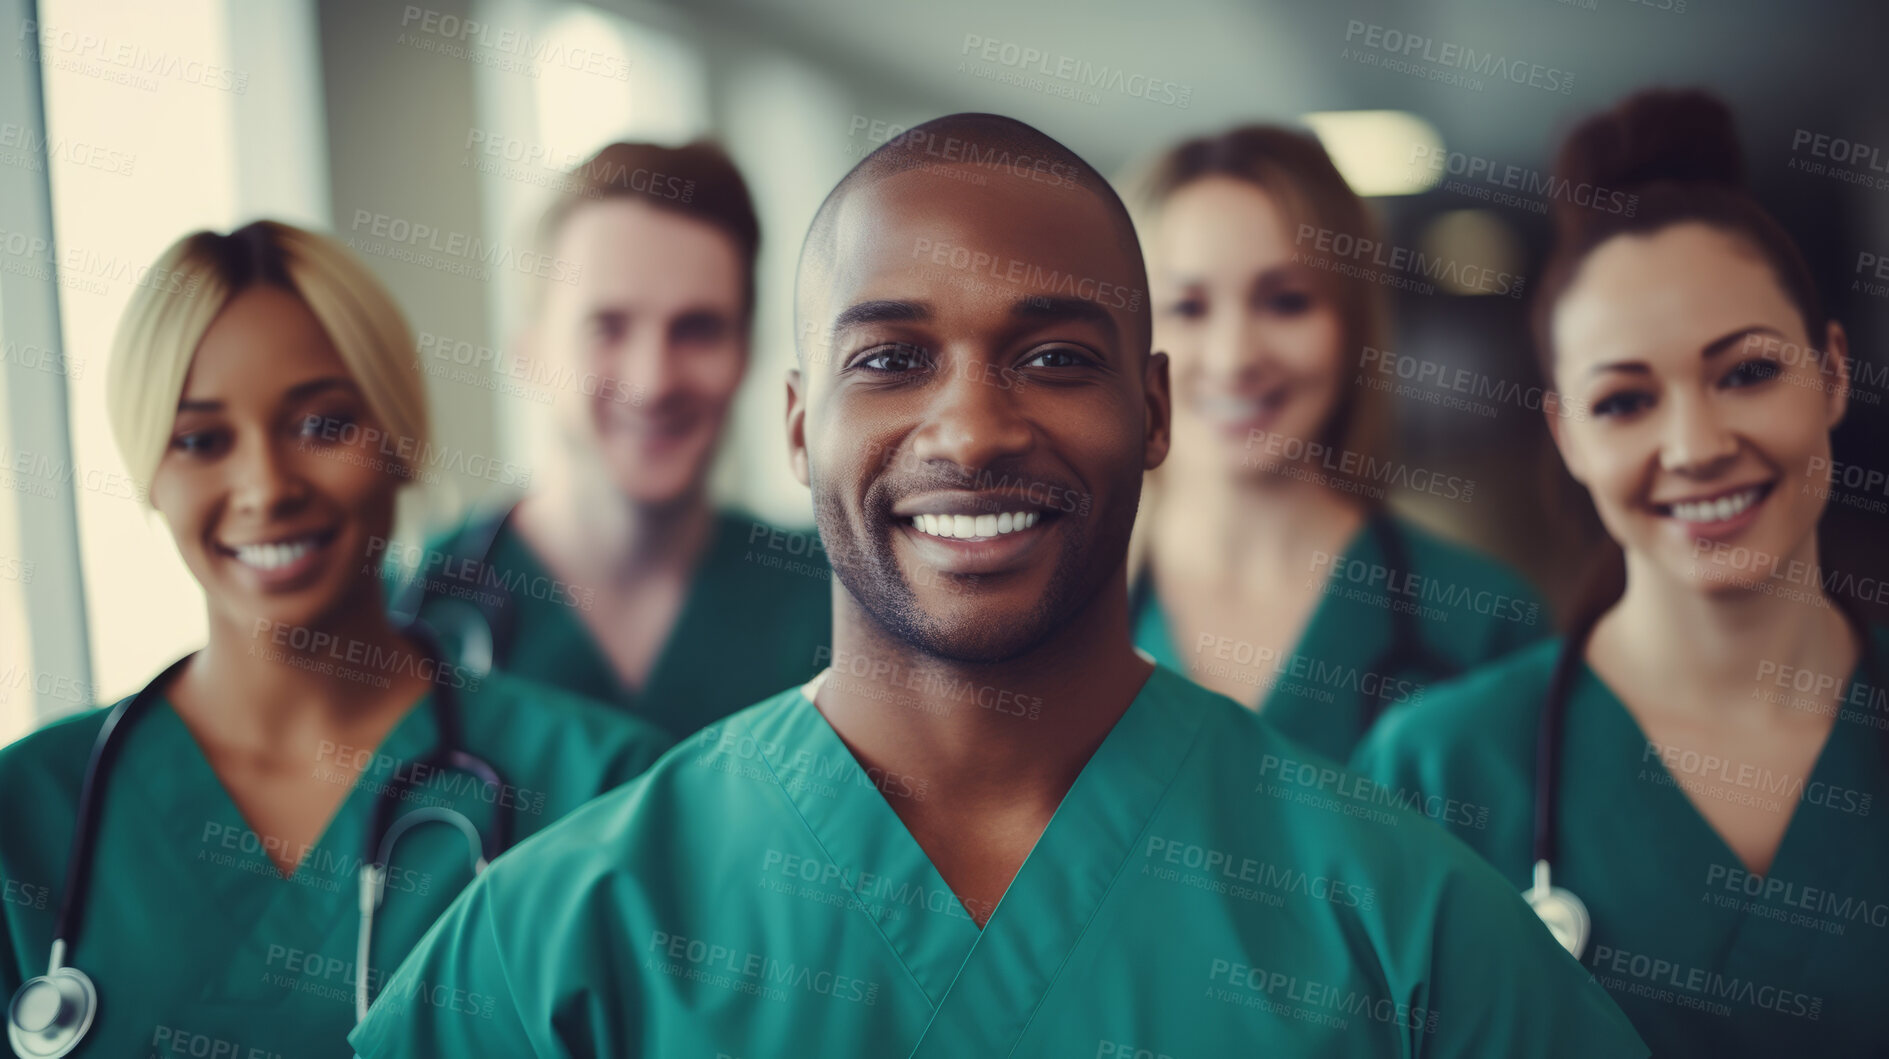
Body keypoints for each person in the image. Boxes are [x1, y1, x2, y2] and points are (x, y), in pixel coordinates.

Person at [350, 114, 1645, 1058]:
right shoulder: (565, 942)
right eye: (893, 357)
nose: (970, 428)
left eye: (1053, 354)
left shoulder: (1397, 918)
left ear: (1151, 407)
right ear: (799, 425)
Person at [0, 222, 670, 1058]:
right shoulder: (24, 812)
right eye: (202, 440)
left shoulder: (607, 788)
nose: (266, 487)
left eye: (321, 425)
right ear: (149, 472)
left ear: (400, 437)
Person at [1352, 90, 1886, 1056]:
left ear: (1834, 372)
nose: (1694, 445)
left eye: (1747, 372)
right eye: (1625, 400)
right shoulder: (1432, 771)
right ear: (1566, 436)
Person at [1128, 126, 1547, 763]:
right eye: (1187, 307)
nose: (1235, 355)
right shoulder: (1049, 616)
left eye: (1287, 301)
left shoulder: (1488, 624)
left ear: (1352, 323)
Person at [390, 141, 831, 741]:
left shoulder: (832, 598)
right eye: (608, 327)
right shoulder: (403, 616)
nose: (653, 382)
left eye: (697, 329)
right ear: (531, 353)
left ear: (747, 352)